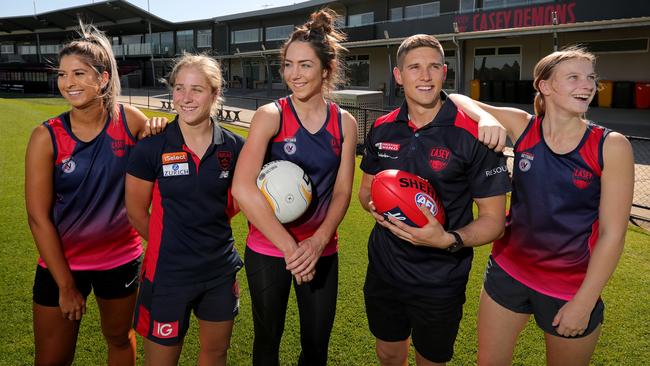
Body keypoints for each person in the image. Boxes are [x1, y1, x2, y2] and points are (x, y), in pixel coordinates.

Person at [448, 46, 634, 366]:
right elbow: (455, 98)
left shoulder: (611, 145)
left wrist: (584, 302)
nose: (587, 85)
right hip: (506, 272)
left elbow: (612, 234)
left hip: (570, 286)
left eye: (590, 77)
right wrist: (485, 118)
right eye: (573, 77)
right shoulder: (524, 127)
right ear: (545, 87)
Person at [358, 34, 511, 366]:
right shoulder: (382, 128)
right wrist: (381, 207)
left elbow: (494, 222)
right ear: (399, 75)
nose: (424, 77)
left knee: (431, 360)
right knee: (387, 352)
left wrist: (448, 240)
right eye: (414, 67)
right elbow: (366, 192)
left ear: (445, 72)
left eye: (433, 67)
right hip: (384, 270)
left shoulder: (476, 135)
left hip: (440, 279)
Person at [24, 22, 165, 366]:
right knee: (52, 360)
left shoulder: (130, 121)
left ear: (103, 79)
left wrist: (157, 129)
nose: (68, 83)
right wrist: (66, 285)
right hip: (62, 263)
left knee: (119, 339)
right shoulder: (46, 136)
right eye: (62, 74)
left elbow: (159, 167)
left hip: (120, 260)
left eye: (79, 74)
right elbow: (37, 217)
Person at [231, 9, 357, 366]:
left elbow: (343, 191)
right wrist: (291, 249)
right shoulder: (271, 115)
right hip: (270, 250)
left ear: (326, 69)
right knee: (267, 342)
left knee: (316, 347)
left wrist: (316, 243)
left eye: (304, 65)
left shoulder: (345, 124)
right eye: (288, 64)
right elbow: (242, 187)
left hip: (321, 251)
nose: (294, 74)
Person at [125, 54, 244, 366]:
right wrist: (174, 245)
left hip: (219, 271)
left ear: (215, 94)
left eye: (197, 89)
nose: (186, 98)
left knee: (216, 353)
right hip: (168, 274)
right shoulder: (152, 146)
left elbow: (235, 203)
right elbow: (136, 211)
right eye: (179, 88)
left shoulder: (235, 147)